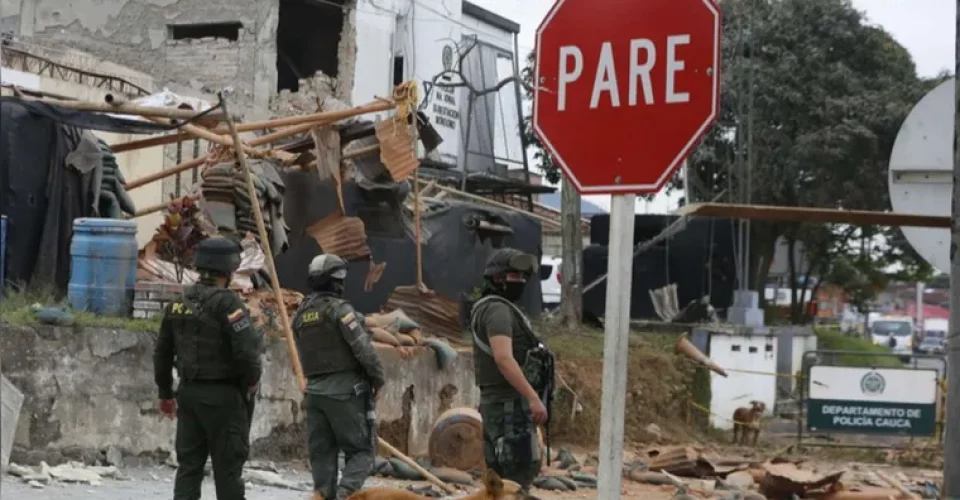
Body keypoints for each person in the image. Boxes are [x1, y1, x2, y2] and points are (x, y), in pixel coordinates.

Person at [153, 237, 263, 500]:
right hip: (223, 398)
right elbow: (247, 352)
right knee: (228, 469)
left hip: (188, 395)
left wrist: (166, 393)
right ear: (228, 269)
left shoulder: (178, 303)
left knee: (189, 467)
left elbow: (162, 353)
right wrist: (252, 381)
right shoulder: (228, 303)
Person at [292, 253, 386, 500]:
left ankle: (322, 496)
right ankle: (347, 496)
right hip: (345, 393)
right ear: (337, 282)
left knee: (322, 456)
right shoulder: (340, 310)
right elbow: (363, 349)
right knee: (363, 452)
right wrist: (378, 379)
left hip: (313, 393)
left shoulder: (301, 314)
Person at [469, 248, 556, 494]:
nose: (521, 280)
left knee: (500, 486)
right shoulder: (497, 311)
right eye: (515, 275)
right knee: (516, 481)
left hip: (501, 407)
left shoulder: (495, 308)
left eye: (523, 275)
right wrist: (532, 398)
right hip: (508, 409)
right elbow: (504, 358)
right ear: (497, 277)